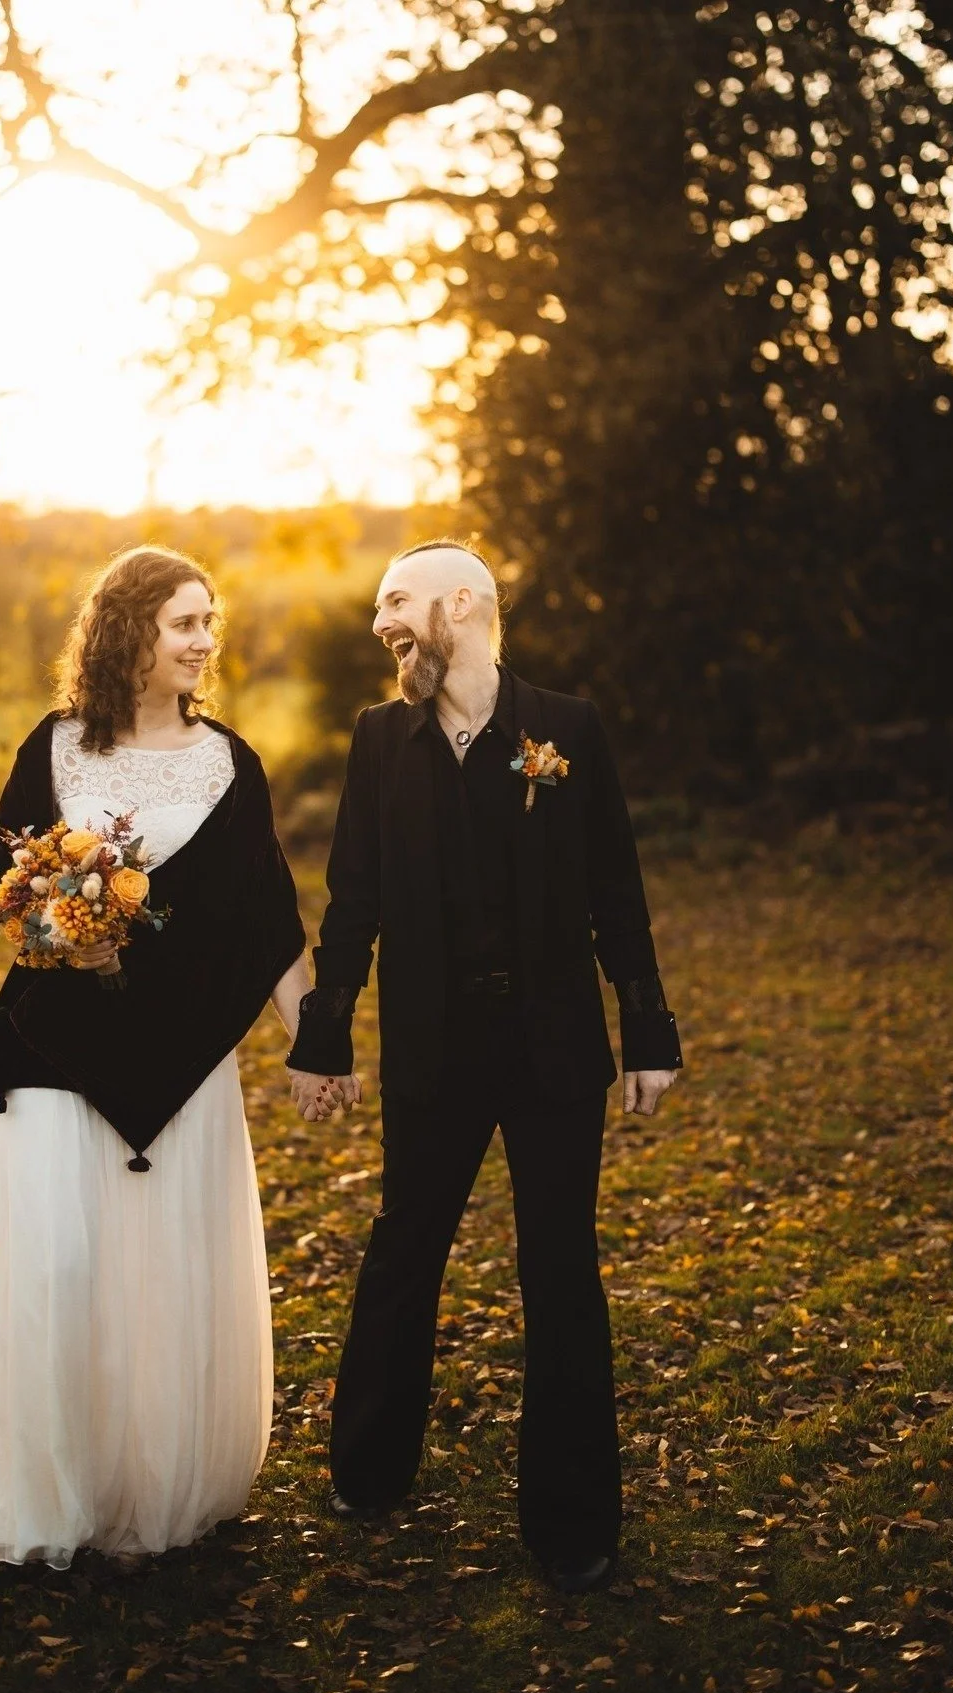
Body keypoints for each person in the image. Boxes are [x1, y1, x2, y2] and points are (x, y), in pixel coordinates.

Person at [286, 539, 682, 1594]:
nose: (383, 623)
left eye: (398, 602)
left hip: (554, 1052)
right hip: (432, 1052)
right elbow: (355, 897)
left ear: (462, 605)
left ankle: (573, 1522)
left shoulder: (569, 729)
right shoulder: (379, 738)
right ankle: (368, 1469)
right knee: (404, 1250)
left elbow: (616, 889)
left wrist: (646, 1025)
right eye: (379, 605)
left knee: (559, 1271)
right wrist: (323, 1034)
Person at [0, 545, 352, 1569]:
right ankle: (51, 1501)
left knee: (161, 1279)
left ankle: (150, 1499)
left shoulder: (231, 763)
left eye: (209, 620)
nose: (204, 639)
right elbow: (2, 883)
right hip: (52, 1046)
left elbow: (272, 924)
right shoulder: (51, 746)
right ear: (128, 630)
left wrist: (319, 1043)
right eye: (185, 620)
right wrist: (59, 933)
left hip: (183, 1062)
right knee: (62, 1267)